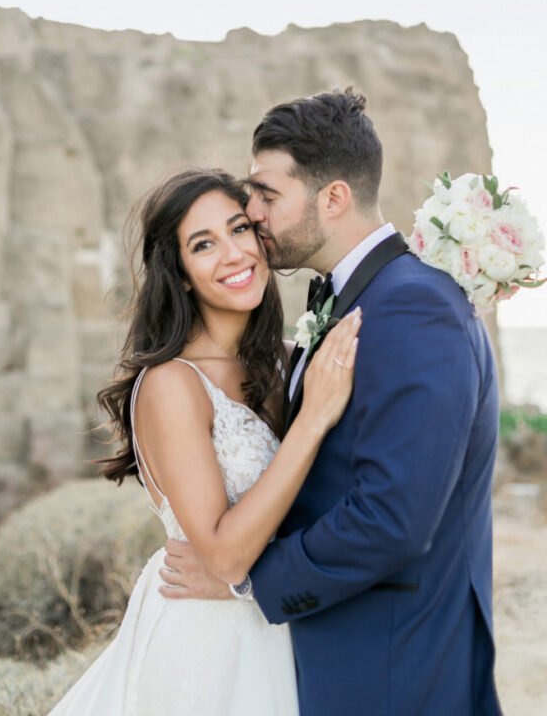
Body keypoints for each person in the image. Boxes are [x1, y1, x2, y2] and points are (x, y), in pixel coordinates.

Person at [160, 90, 503, 715]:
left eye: (266, 195)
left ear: (334, 198)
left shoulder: (412, 307)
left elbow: (392, 519)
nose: (253, 213)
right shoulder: (346, 299)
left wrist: (248, 582)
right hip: (338, 653)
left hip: (393, 667)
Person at [48, 167, 360, 715]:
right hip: (205, 646)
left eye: (240, 230)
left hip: (285, 630)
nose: (235, 254)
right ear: (183, 274)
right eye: (203, 244)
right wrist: (311, 420)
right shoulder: (171, 383)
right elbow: (223, 554)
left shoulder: (287, 363)